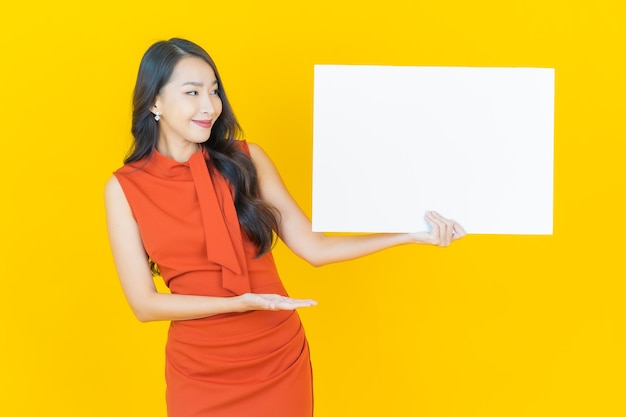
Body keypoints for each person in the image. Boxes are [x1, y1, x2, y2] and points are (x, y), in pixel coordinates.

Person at [104, 38, 466, 417]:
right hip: (200, 369)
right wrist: (237, 304)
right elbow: (144, 305)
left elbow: (316, 249)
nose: (209, 106)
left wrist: (409, 234)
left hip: (276, 356)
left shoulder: (247, 160)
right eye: (192, 92)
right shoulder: (125, 188)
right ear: (154, 102)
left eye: (214, 91)